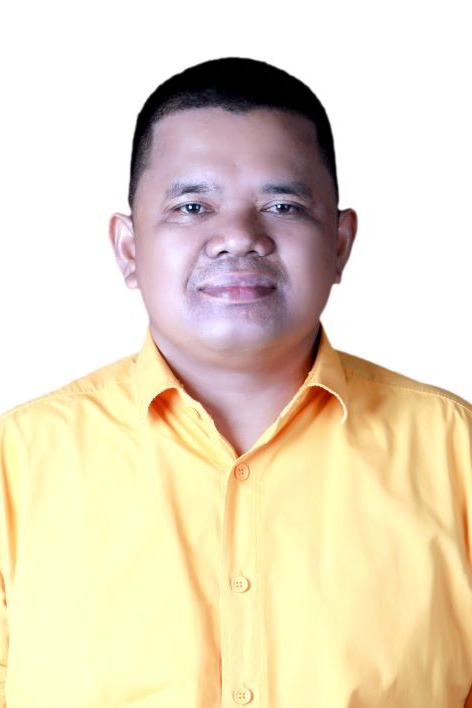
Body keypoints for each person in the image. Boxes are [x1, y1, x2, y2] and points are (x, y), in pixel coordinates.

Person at [0, 57, 471, 708]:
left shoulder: (455, 453)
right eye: (192, 206)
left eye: (282, 205)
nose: (239, 238)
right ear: (129, 249)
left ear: (340, 244)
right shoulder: (17, 465)